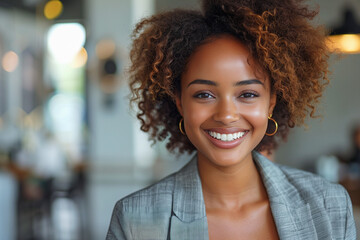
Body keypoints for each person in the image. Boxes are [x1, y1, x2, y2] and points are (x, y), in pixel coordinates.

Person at [107, 0, 357, 239]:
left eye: (248, 94)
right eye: (204, 94)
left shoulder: (329, 205)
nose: (226, 115)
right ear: (180, 102)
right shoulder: (134, 220)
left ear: (271, 102)